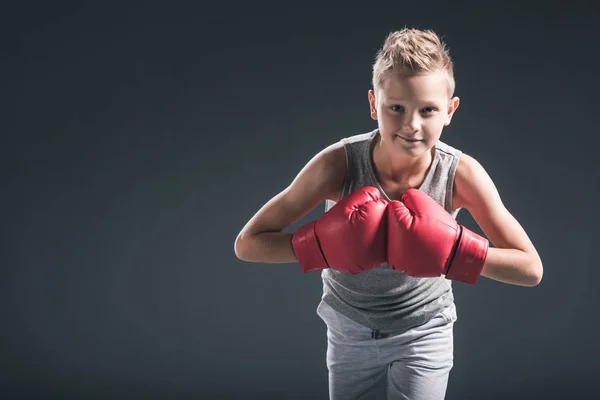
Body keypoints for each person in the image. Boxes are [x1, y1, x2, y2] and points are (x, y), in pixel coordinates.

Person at [234, 27, 543, 400]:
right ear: (372, 104)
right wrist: (320, 246)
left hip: (425, 329)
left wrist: (455, 252)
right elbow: (248, 244)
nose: (411, 125)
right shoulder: (338, 165)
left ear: (449, 110)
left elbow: (530, 269)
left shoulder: (459, 174)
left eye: (427, 110)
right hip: (348, 327)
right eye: (395, 108)